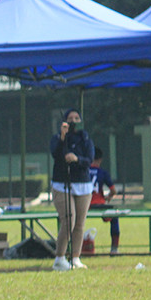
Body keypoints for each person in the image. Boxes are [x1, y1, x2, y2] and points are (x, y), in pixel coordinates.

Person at [50, 108, 95, 271]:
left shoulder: (85, 138)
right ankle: (60, 257)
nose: (74, 121)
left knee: (80, 223)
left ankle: (76, 257)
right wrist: (63, 137)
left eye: (77, 118)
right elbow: (55, 154)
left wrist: (77, 159)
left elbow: (89, 159)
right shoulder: (57, 139)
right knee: (69, 219)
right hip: (62, 184)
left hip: (83, 184)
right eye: (70, 118)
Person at [89, 147, 120, 256]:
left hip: (85, 205)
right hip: (100, 205)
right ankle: (114, 249)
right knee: (114, 217)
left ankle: (73, 249)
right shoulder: (102, 173)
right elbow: (113, 190)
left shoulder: (83, 171)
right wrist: (107, 197)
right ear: (100, 159)